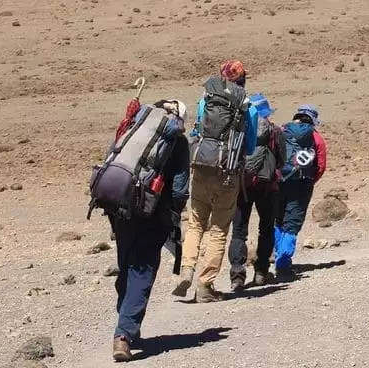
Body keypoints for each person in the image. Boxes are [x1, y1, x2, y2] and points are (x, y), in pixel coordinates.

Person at [110, 99, 191, 362]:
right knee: (142, 271)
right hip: (154, 213)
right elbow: (179, 188)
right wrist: (175, 214)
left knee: (126, 264)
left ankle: (127, 319)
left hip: (121, 207)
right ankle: (124, 334)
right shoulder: (177, 141)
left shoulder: (133, 127)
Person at [173, 60, 258, 302]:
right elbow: (250, 147)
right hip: (228, 173)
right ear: (242, 81)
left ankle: (186, 270)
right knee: (219, 230)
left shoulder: (206, 100)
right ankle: (205, 285)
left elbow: (198, 130)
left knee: (196, 223)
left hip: (201, 166)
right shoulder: (248, 108)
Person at [228, 93, 285, 291]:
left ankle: (237, 276)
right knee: (266, 228)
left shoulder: (239, 130)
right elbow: (282, 159)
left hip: (242, 187)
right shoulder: (275, 130)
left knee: (238, 232)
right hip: (268, 186)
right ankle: (261, 272)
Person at [274, 104, 327, 281]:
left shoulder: (282, 130)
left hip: (281, 181)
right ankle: (283, 261)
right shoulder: (316, 137)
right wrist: (310, 180)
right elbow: (320, 166)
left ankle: (277, 254)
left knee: (279, 219)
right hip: (302, 183)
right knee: (293, 221)